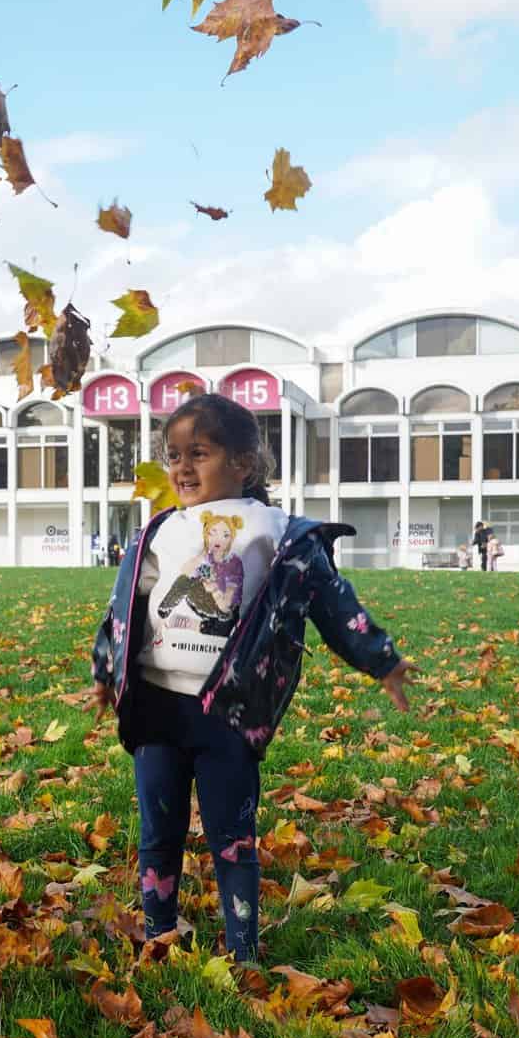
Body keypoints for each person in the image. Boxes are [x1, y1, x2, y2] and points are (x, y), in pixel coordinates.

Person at [90, 393, 414, 963]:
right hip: (157, 707)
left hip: (230, 712)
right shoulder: (162, 529)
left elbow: (332, 600)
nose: (183, 468)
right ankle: (157, 931)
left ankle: (243, 949)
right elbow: (126, 606)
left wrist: (379, 658)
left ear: (244, 461)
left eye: (200, 453)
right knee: (157, 831)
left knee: (232, 839)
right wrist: (105, 670)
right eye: (173, 456)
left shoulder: (279, 531)